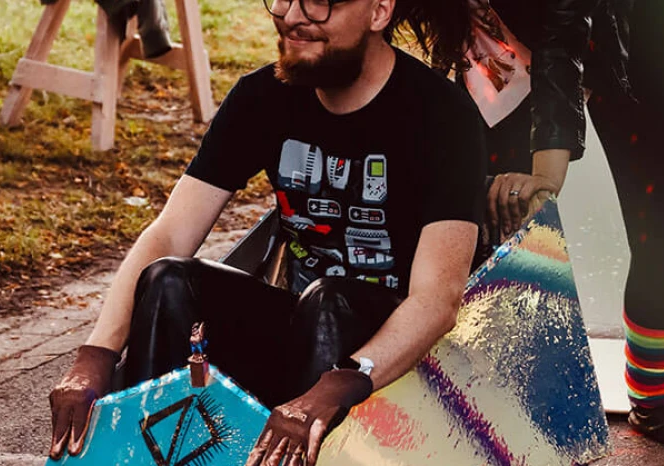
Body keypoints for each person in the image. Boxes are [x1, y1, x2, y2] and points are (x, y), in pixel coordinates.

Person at [45, 0, 486, 465]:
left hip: (394, 362)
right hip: (303, 338)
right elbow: (171, 233)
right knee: (169, 278)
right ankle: (143, 454)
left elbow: (437, 300)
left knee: (329, 300)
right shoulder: (262, 97)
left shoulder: (442, 115)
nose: (292, 16)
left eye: (320, 2)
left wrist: (338, 383)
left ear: (378, 11)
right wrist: (95, 355)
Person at [461, 0, 664, 455]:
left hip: (626, 23)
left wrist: (547, 175)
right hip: (495, 26)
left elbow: (563, 36)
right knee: (492, 216)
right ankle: (487, 397)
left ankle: (655, 400)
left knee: (662, 228)